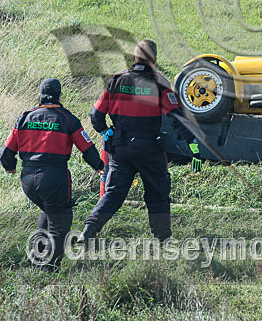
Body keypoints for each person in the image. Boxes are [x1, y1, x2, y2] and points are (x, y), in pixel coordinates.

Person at [78, 39, 200, 243]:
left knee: (113, 194)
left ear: (133, 58)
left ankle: (88, 229)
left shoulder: (116, 80)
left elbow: (95, 115)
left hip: (120, 150)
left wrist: (105, 131)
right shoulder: (159, 83)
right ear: (154, 60)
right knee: (158, 194)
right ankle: (163, 239)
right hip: (150, 150)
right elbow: (178, 119)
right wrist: (194, 148)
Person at [0, 78, 104, 270]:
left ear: (40, 95)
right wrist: (100, 166)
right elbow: (86, 147)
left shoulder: (25, 117)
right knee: (60, 224)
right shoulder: (67, 119)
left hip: (28, 179)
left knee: (48, 211)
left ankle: (35, 259)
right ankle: (49, 268)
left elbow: (7, 151)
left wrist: (9, 166)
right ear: (59, 95)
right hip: (55, 177)